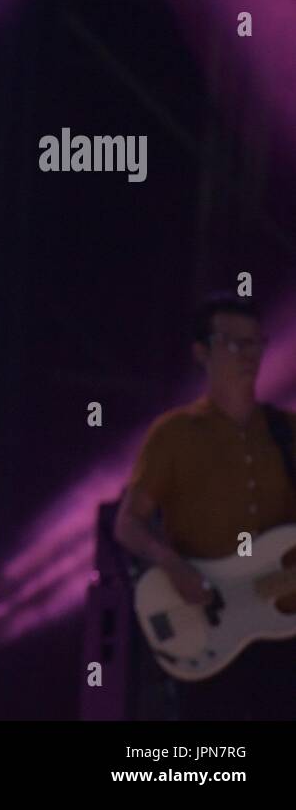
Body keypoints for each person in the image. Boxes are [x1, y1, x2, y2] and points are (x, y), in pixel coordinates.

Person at [115, 294, 296, 719]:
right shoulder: (175, 434)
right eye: (232, 342)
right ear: (202, 351)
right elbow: (128, 524)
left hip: (284, 627)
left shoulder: (286, 432)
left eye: (254, 342)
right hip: (208, 621)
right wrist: (174, 566)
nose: (247, 354)